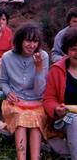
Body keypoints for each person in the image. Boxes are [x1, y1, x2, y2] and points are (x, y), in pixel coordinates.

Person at [0, 23, 49, 160]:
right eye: (28, 41)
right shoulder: (7, 57)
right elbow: (3, 81)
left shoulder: (42, 56)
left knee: (35, 121)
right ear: (20, 40)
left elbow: (40, 90)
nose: (32, 45)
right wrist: (9, 92)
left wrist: (39, 69)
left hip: (36, 101)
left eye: (35, 41)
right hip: (16, 101)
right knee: (21, 119)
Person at [43, 28, 77, 159]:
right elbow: (48, 98)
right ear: (67, 51)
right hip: (66, 117)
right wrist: (56, 109)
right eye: (73, 49)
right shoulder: (57, 70)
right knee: (75, 122)